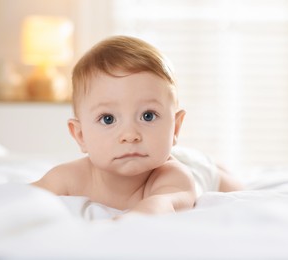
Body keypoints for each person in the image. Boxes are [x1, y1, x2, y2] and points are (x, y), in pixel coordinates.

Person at [32, 35, 240, 219]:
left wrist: (119, 226)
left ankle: (218, 167)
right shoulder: (70, 176)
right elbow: (23, 197)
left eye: (148, 116)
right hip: (162, 151)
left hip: (197, 167)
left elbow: (158, 206)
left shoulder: (174, 178)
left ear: (175, 128)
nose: (130, 135)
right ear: (80, 135)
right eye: (108, 119)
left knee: (234, 185)